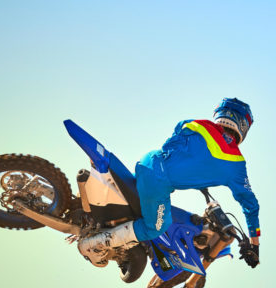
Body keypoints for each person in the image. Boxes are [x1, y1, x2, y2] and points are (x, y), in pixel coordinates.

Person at [78, 98, 260, 267]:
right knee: (156, 227)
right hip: (159, 183)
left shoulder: (197, 124)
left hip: (149, 161)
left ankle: (90, 207)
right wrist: (254, 245)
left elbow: (176, 142)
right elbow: (251, 206)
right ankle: (94, 244)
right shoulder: (236, 164)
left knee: (134, 199)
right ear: (243, 126)